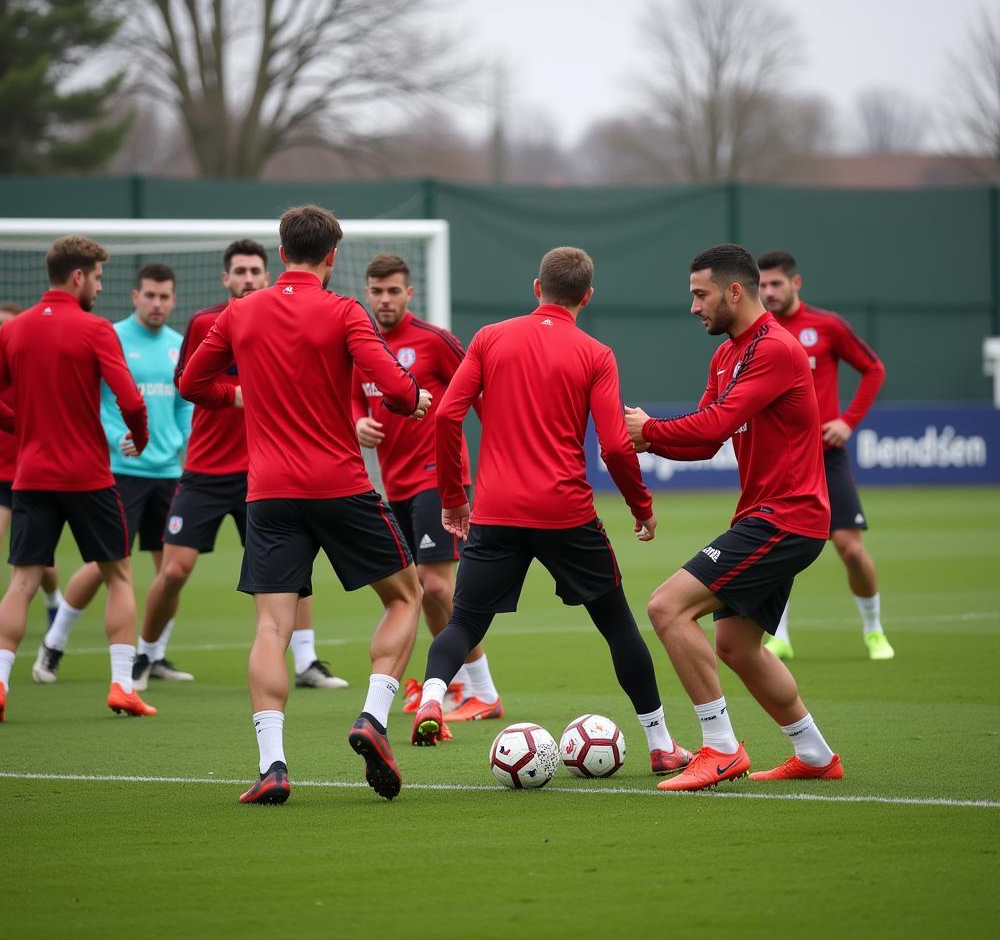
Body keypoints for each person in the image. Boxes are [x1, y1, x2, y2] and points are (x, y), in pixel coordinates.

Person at [179, 205, 430, 805]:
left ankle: (273, 766)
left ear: (281, 250)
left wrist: (240, 395)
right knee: (405, 596)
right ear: (333, 256)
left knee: (271, 626)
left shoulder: (241, 311)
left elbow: (191, 384)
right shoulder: (344, 310)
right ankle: (372, 716)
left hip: (268, 492)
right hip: (340, 484)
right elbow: (394, 389)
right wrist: (415, 398)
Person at [410, 246, 692, 778]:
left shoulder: (490, 338)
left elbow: (447, 416)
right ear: (587, 297)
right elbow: (613, 444)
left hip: (495, 512)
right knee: (616, 625)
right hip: (567, 514)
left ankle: (431, 697)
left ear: (535, 287)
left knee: (466, 621)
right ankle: (660, 744)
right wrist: (642, 506)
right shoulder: (596, 353)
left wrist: (454, 497)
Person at [625, 243, 843, 789]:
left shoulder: (775, 349)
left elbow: (715, 424)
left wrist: (648, 432)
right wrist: (646, 441)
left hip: (787, 518)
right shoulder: (726, 356)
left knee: (667, 608)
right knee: (737, 646)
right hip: (768, 516)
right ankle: (816, 755)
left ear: (734, 291)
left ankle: (720, 748)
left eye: (700, 295)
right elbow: (703, 442)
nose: (694, 307)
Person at [134, 240, 345, 691]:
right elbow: (186, 381)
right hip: (206, 470)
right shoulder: (207, 322)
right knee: (173, 570)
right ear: (225, 278)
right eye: (240, 271)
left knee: (296, 572)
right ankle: (146, 655)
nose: (248, 278)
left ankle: (307, 661)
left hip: (265, 471)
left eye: (255, 270)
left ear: (269, 275)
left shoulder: (287, 318)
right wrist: (236, 394)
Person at [0, 235, 155, 722]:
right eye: (97, 277)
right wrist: (139, 438)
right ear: (78, 276)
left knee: (22, 582)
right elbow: (132, 401)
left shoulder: (14, 332)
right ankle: (121, 686)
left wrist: (27, 426)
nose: (99, 286)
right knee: (118, 576)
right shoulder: (96, 329)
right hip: (89, 475)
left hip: (31, 475)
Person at [353, 253, 502, 728]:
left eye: (393, 290)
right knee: (419, 587)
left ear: (409, 293)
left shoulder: (435, 341)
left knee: (436, 583)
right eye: (377, 291)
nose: (385, 299)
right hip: (392, 482)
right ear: (367, 291)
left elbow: (482, 395)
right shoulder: (361, 342)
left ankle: (483, 691)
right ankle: (455, 684)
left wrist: (500, 460)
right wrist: (356, 421)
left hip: (437, 476)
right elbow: (352, 399)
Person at [32, 264, 193, 684]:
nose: (157, 304)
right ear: (135, 296)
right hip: (121, 470)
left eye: (165, 297)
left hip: (167, 474)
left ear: (174, 300)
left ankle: (152, 655)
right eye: (150, 296)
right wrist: (115, 434)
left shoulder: (180, 345)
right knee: (103, 565)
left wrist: (180, 439)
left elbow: (184, 401)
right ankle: (54, 643)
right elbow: (98, 398)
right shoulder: (112, 336)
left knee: (171, 574)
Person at [757, 250, 894, 661]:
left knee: (850, 549)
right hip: (777, 460)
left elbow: (874, 369)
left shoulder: (827, 325)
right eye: (761, 285)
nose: (768, 292)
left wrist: (848, 421)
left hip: (826, 455)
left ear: (796, 283)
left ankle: (873, 629)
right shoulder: (755, 332)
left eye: (776, 284)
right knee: (772, 549)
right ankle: (779, 635)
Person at [0, 303, 63, 636]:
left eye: (8, 325)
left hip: (33, 472)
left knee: (38, 558)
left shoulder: (37, 370)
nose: (1, 329)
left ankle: (54, 598)